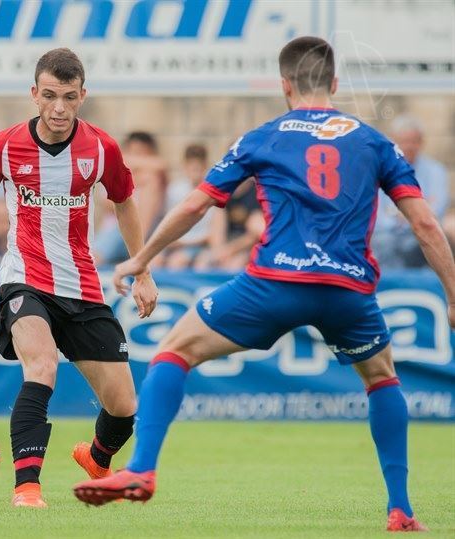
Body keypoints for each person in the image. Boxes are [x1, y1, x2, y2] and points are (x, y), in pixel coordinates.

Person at [73, 36, 455, 533]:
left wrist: (140, 258)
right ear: (334, 84)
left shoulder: (264, 137)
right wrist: (451, 295)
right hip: (348, 291)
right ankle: (401, 509)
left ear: (285, 85)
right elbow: (427, 226)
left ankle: (142, 469)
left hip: (274, 282)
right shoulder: (374, 142)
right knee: (382, 380)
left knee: (173, 351)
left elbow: (196, 205)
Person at [0, 48, 158, 509]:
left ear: (82, 96)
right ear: (34, 93)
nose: (58, 108)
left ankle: (96, 457)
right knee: (42, 365)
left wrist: (142, 268)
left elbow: (126, 201)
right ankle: (27, 488)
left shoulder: (102, 149)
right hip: (24, 278)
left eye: (68, 97)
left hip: (83, 285)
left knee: (125, 407)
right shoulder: (5, 145)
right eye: (49, 95)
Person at [372, 115, 450, 268]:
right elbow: (378, 213)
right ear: (393, 142)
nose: (408, 146)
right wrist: (414, 212)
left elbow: (437, 210)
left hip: (422, 236)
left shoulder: (436, 171)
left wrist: (401, 214)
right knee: (382, 242)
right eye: (404, 141)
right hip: (386, 235)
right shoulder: (380, 170)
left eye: (413, 141)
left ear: (421, 143)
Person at [94, 132, 167, 264]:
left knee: (152, 181)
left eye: (141, 153)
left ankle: (139, 249)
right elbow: (109, 204)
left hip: (146, 233)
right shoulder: (112, 173)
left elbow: (161, 165)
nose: (136, 158)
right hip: (117, 231)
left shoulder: (154, 179)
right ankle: (139, 250)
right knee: (96, 255)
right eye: (133, 153)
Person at [160, 144, 214, 269]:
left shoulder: (212, 192)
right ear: (185, 167)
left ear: (205, 166)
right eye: (192, 168)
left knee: (177, 262)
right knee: (154, 262)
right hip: (176, 244)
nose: (195, 173)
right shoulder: (174, 190)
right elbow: (169, 221)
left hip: (199, 246)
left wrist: (183, 243)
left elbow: (212, 234)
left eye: (198, 168)